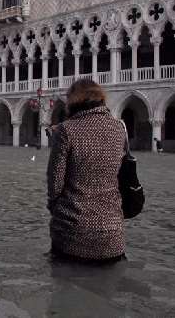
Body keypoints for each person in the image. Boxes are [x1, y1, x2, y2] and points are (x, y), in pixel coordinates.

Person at [47, 80, 126, 263]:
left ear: (73, 100)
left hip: (72, 233)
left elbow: (55, 183)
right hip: (113, 236)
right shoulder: (119, 129)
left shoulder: (66, 130)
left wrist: (55, 209)